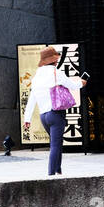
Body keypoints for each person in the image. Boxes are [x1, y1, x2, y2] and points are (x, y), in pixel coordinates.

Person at [23, 46, 86, 176]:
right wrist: (82, 83)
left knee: (57, 142)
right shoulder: (56, 72)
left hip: (43, 116)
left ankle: (58, 169)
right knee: (55, 145)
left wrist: (27, 119)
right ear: (54, 60)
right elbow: (73, 85)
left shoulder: (36, 78)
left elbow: (31, 101)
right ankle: (51, 174)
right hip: (56, 114)